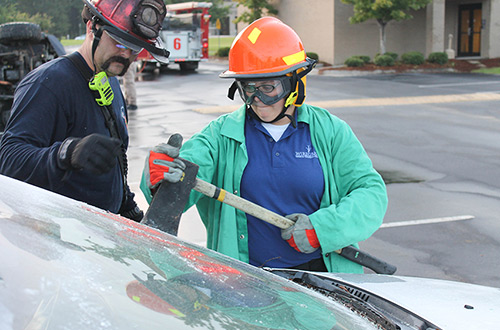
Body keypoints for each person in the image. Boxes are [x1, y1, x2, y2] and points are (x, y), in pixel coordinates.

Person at [141, 17, 388, 273]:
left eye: (268, 87)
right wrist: (159, 176)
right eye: (248, 87)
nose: (256, 99)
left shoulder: (330, 131)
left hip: (321, 281)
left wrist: (323, 229)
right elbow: (172, 188)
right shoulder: (219, 136)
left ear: (295, 81)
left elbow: (371, 193)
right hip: (245, 284)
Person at [0, 0, 169, 222]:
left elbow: (112, 166)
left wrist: (128, 208)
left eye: (135, 47)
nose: (126, 54)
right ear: (91, 27)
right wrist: (67, 153)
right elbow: (9, 160)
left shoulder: (110, 82)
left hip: (100, 233)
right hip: (60, 237)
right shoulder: (48, 83)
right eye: (119, 42)